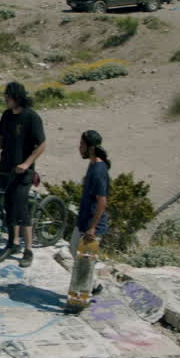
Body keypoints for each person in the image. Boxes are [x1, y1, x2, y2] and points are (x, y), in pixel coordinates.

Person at [0, 81, 47, 268]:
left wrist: (27, 164)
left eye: (7, 96)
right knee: (8, 206)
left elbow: (42, 144)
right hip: (6, 168)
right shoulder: (6, 116)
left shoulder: (32, 117)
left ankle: (28, 251)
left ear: (16, 97)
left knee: (21, 209)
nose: (5, 99)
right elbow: (2, 138)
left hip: (23, 172)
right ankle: (13, 244)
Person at [67, 130, 110, 311]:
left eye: (82, 145)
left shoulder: (99, 171)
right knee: (72, 250)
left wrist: (92, 228)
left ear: (91, 148)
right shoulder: (92, 165)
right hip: (83, 221)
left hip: (91, 226)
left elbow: (102, 202)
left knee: (83, 266)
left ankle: (79, 302)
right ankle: (95, 285)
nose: (79, 148)